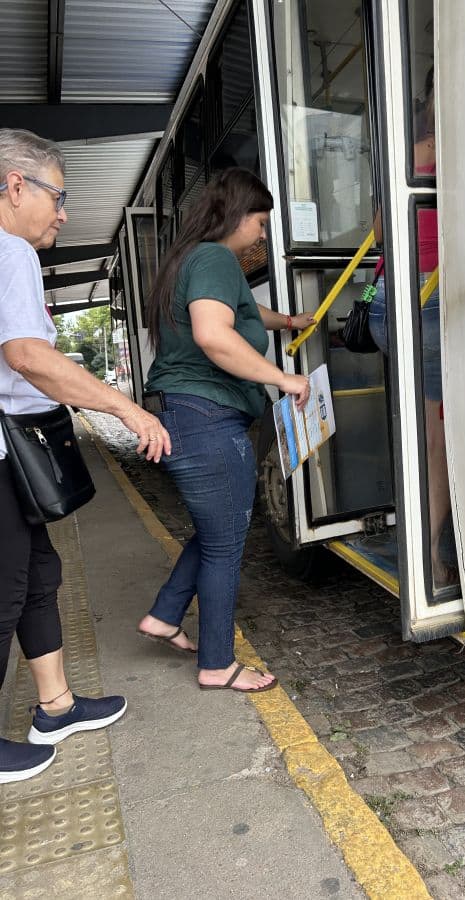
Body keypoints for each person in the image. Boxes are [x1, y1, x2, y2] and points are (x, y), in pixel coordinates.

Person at [0, 128, 172, 784]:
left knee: (38, 574)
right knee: (8, 586)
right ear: (15, 186)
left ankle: (56, 707)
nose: (64, 213)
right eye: (57, 196)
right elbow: (27, 356)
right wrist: (124, 407)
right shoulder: (9, 250)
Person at [137, 168, 312, 692]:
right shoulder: (214, 257)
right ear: (237, 216)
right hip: (206, 419)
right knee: (225, 545)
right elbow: (215, 334)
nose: (262, 234)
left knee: (219, 531)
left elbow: (239, 312)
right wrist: (283, 378)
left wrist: (285, 322)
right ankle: (217, 664)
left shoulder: (193, 260)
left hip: (191, 416)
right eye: (260, 222)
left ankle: (165, 617)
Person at [368, 68, 456, 590]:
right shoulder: (456, 144)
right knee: (438, 443)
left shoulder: (407, 149)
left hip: (388, 298)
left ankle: (424, 541)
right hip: (430, 298)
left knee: (421, 432)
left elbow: (382, 230)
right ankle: (427, 559)